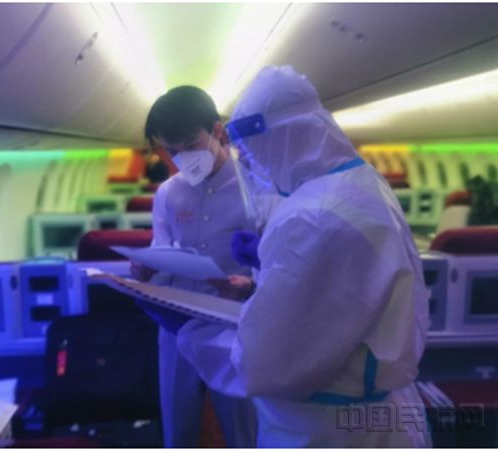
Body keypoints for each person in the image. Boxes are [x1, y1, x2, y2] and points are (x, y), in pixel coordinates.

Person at [176, 66, 432, 447]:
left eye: (252, 151)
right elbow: (343, 296)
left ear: (279, 139)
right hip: (374, 416)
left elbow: (266, 363)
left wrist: (189, 334)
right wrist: (264, 274)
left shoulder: (312, 216)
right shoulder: (360, 182)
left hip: (327, 429)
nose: (252, 164)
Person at [133, 86, 262, 448]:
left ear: (218, 131)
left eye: (191, 146)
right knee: (178, 428)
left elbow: (276, 263)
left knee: (242, 430)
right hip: (178, 324)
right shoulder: (168, 193)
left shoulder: (255, 187)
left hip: (236, 323)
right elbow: (161, 250)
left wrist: (251, 284)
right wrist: (146, 270)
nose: (182, 158)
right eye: (172, 151)